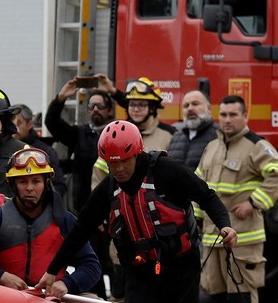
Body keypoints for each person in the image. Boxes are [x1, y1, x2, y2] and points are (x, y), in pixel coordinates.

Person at [37, 120, 238, 303]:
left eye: (124, 162)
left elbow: (207, 197)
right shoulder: (109, 188)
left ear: (137, 154)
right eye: (112, 163)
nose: (118, 169)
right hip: (141, 271)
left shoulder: (169, 171)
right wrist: (52, 272)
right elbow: (80, 230)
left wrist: (225, 225)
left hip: (182, 271)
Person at [0, 147, 102, 303]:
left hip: (55, 302)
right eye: (23, 181)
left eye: (36, 181)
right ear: (13, 184)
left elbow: (91, 265)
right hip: (4, 298)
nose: (29, 188)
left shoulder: (65, 220)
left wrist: (67, 284)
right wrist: (1, 276)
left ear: (46, 183)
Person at [196, 94, 278, 303]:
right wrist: (195, 220)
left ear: (245, 116)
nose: (227, 120)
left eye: (233, 115)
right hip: (212, 238)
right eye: (224, 115)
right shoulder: (211, 147)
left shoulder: (256, 146)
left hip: (244, 239)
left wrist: (253, 202)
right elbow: (199, 187)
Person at [44, 74, 118, 211]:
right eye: (91, 106)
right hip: (84, 207)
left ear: (109, 111)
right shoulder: (79, 134)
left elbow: (136, 117)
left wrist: (113, 92)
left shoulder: (118, 133)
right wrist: (61, 98)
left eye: (100, 105)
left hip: (113, 204)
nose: (95, 109)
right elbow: (52, 123)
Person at [91, 77, 175, 188]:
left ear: (152, 108)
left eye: (141, 105)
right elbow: (100, 171)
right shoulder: (116, 133)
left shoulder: (169, 135)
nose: (136, 109)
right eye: (132, 104)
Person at [12, 103, 67, 198]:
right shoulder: (1, 148)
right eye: (10, 124)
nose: (13, 129)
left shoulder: (46, 152)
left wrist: (43, 202)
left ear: (29, 124)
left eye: (18, 123)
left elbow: (59, 186)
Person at [167, 90, 216, 171]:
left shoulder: (218, 136)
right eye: (186, 106)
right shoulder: (176, 137)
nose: (190, 108)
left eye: (195, 104)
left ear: (209, 108)